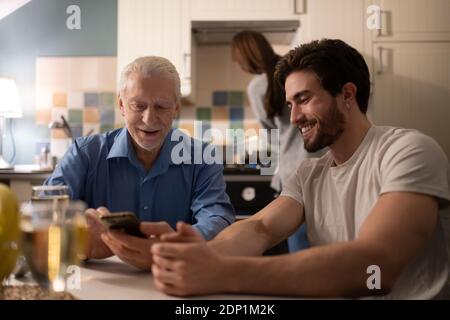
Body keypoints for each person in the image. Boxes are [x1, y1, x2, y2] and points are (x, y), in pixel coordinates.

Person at [150, 39, 450, 299]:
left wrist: (224, 271)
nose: (294, 118)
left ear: (347, 95)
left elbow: (375, 269)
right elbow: (260, 228)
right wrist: (200, 255)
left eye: (304, 100)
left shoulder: (408, 150)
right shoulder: (309, 174)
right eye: (290, 104)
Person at [45, 56, 235, 270]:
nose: (149, 119)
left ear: (176, 108)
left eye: (162, 106)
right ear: (121, 105)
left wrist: (175, 245)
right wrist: (78, 239)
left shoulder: (202, 156)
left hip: (176, 277)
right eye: (138, 106)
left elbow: (217, 216)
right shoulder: (84, 153)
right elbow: (43, 212)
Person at [231, 31, 322, 251]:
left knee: (300, 247)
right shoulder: (298, 73)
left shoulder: (257, 87)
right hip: (323, 163)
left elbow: (271, 132)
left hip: (293, 172)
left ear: (245, 58)